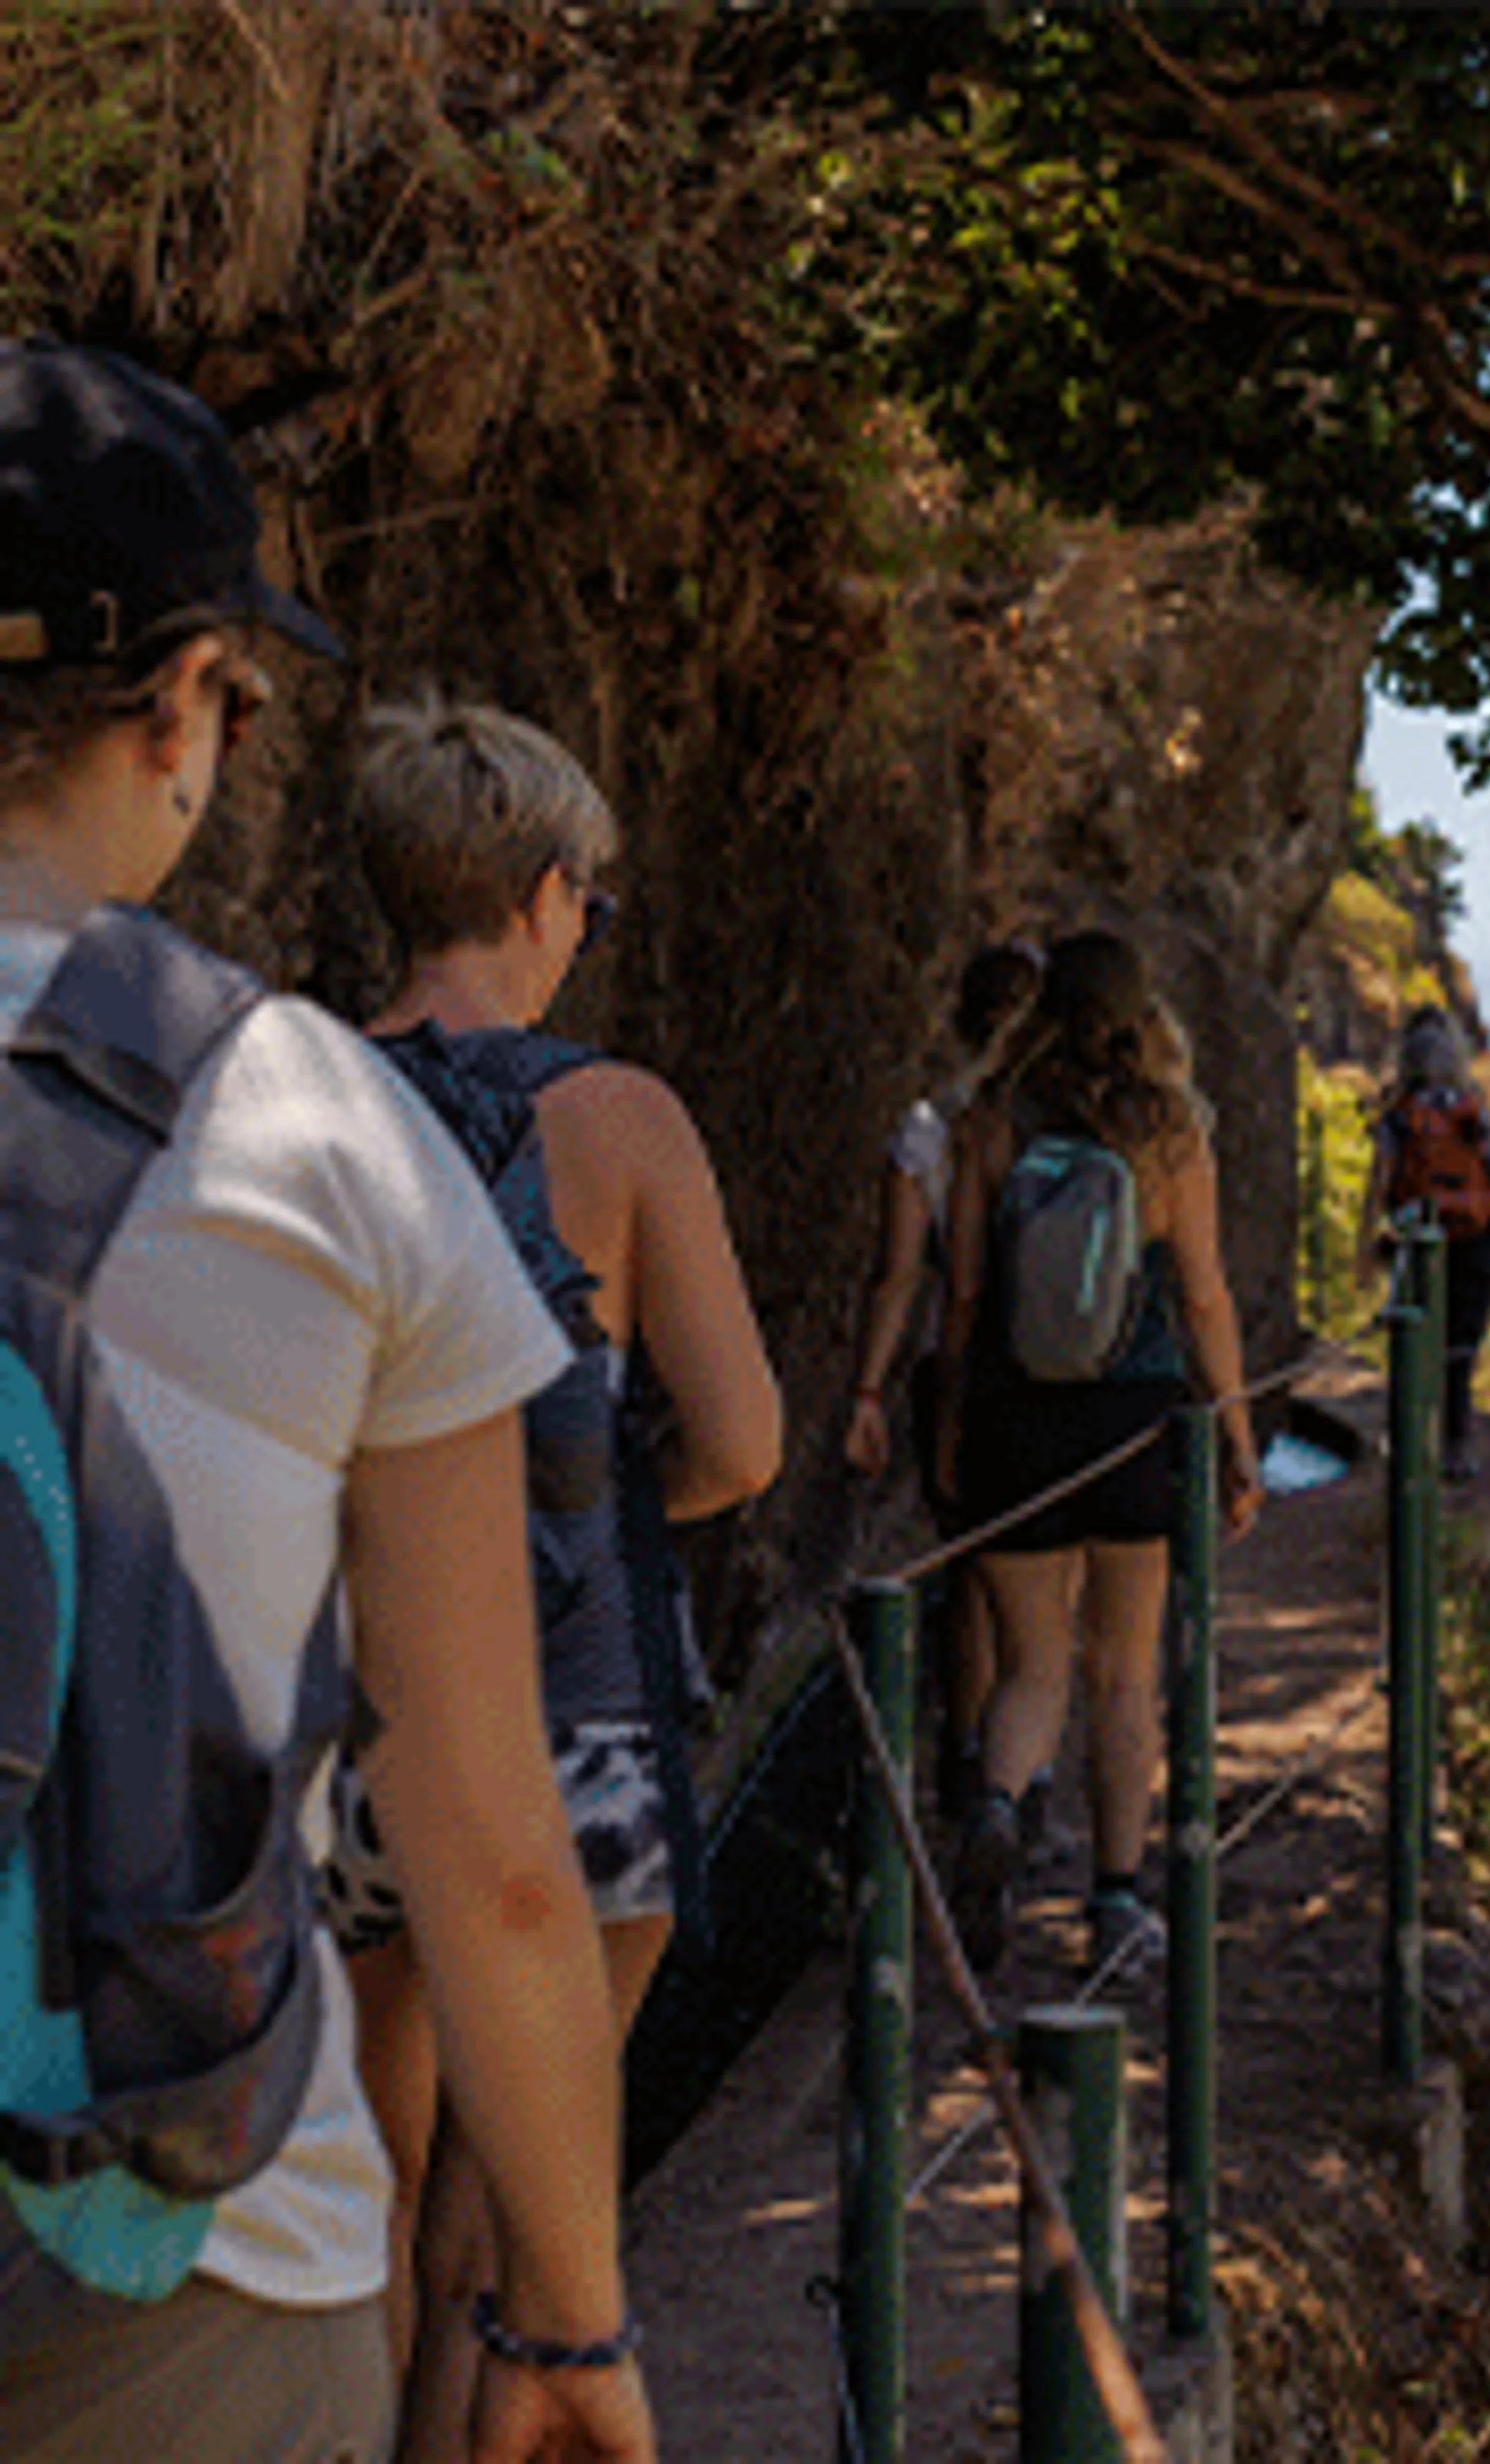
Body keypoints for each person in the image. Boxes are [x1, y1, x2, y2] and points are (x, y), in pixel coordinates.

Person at [0, 342, 654, 2457]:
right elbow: (486, 1836)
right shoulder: (314, 1129)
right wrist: (566, 2321)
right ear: (186, 707)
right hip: (178, 2250)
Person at [323, 694, 781, 2457]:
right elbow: (741, 1444)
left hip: (343, 1713)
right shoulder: (622, 1121)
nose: (586, 921)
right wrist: (593, 1512)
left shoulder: (284, 1088)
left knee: (371, 2168)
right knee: (522, 2227)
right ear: (536, 893)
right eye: (586, 893)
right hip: (579, 1722)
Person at [938, 930, 1263, 1979]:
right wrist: (1241, 1442)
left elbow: (965, 1298)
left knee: (1032, 1668)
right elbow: (1205, 1299)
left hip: (1015, 1422)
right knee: (1125, 1675)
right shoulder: (1170, 1132)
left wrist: (949, 1425)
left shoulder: (990, 1123)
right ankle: (1116, 1905)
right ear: (1140, 1011)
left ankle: (995, 1808)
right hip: (1136, 1424)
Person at [843, 938, 1041, 1826]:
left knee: (968, 1577)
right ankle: (1023, 1780)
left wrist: (867, 1392)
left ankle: (964, 1764)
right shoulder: (1050, 1125)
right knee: (1046, 1592)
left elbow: (894, 1276)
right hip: (1051, 1373)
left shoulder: (926, 1127)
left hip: (949, 1373)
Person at [1366, 1004, 1490, 1480]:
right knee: (1460, 1346)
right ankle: (1457, 1445)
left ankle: (1408, 1440)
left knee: (1413, 1339)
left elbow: (1382, 1177)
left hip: (1417, 1233)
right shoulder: (1472, 1109)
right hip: (1473, 1236)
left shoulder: (1400, 1114)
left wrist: (1373, 1236)